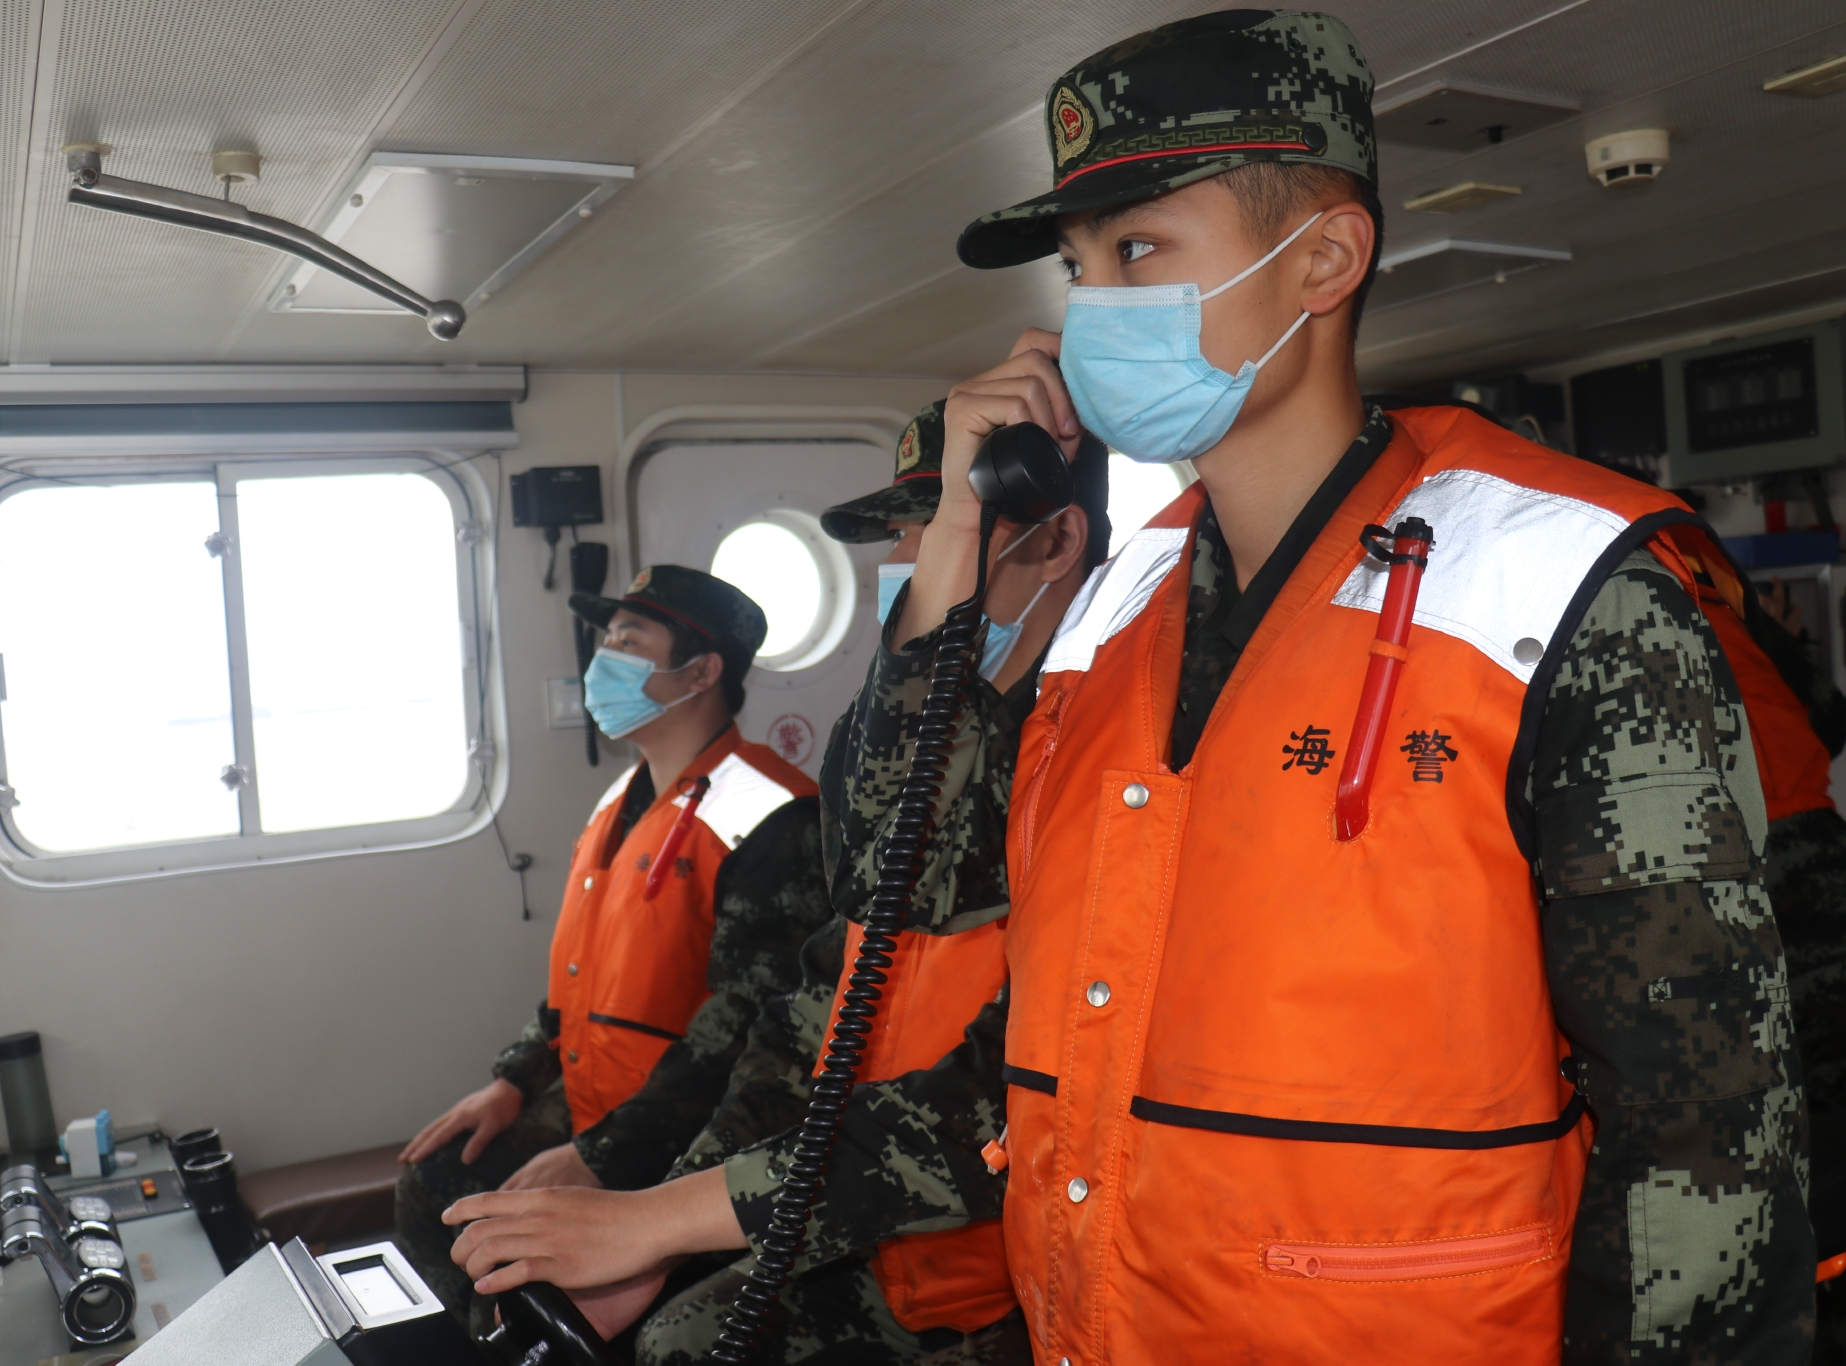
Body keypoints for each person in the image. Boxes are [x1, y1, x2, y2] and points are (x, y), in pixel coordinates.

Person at [436, 12, 1814, 1363]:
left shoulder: (1558, 588)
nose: (1089, 307)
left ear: (1323, 258)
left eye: (1137, 249)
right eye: (1077, 267)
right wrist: (956, 547)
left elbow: (1703, 1139)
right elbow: (924, 920)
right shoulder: (1117, 616)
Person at [625, 401, 1109, 1364]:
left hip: (1032, 1277)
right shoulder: (920, 744)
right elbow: (824, 1000)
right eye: (903, 534)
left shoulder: (1102, 758)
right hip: (889, 1236)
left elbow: (1011, 1092)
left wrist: (677, 1221)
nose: (908, 559)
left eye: (939, 523)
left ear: (1055, 540)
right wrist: (666, 1213)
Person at [393, 565, 833, 1335]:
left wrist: (603, 1155)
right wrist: (513, 1080)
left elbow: (749, 1025)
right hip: (592, 1096)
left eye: (629, 642)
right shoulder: (620, 801)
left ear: (701, 673)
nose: (604, 660)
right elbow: (580, 980)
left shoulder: (774, 816)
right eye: (606, 641)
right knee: (434, 1179)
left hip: (682, 1130)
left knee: (506, 1254)